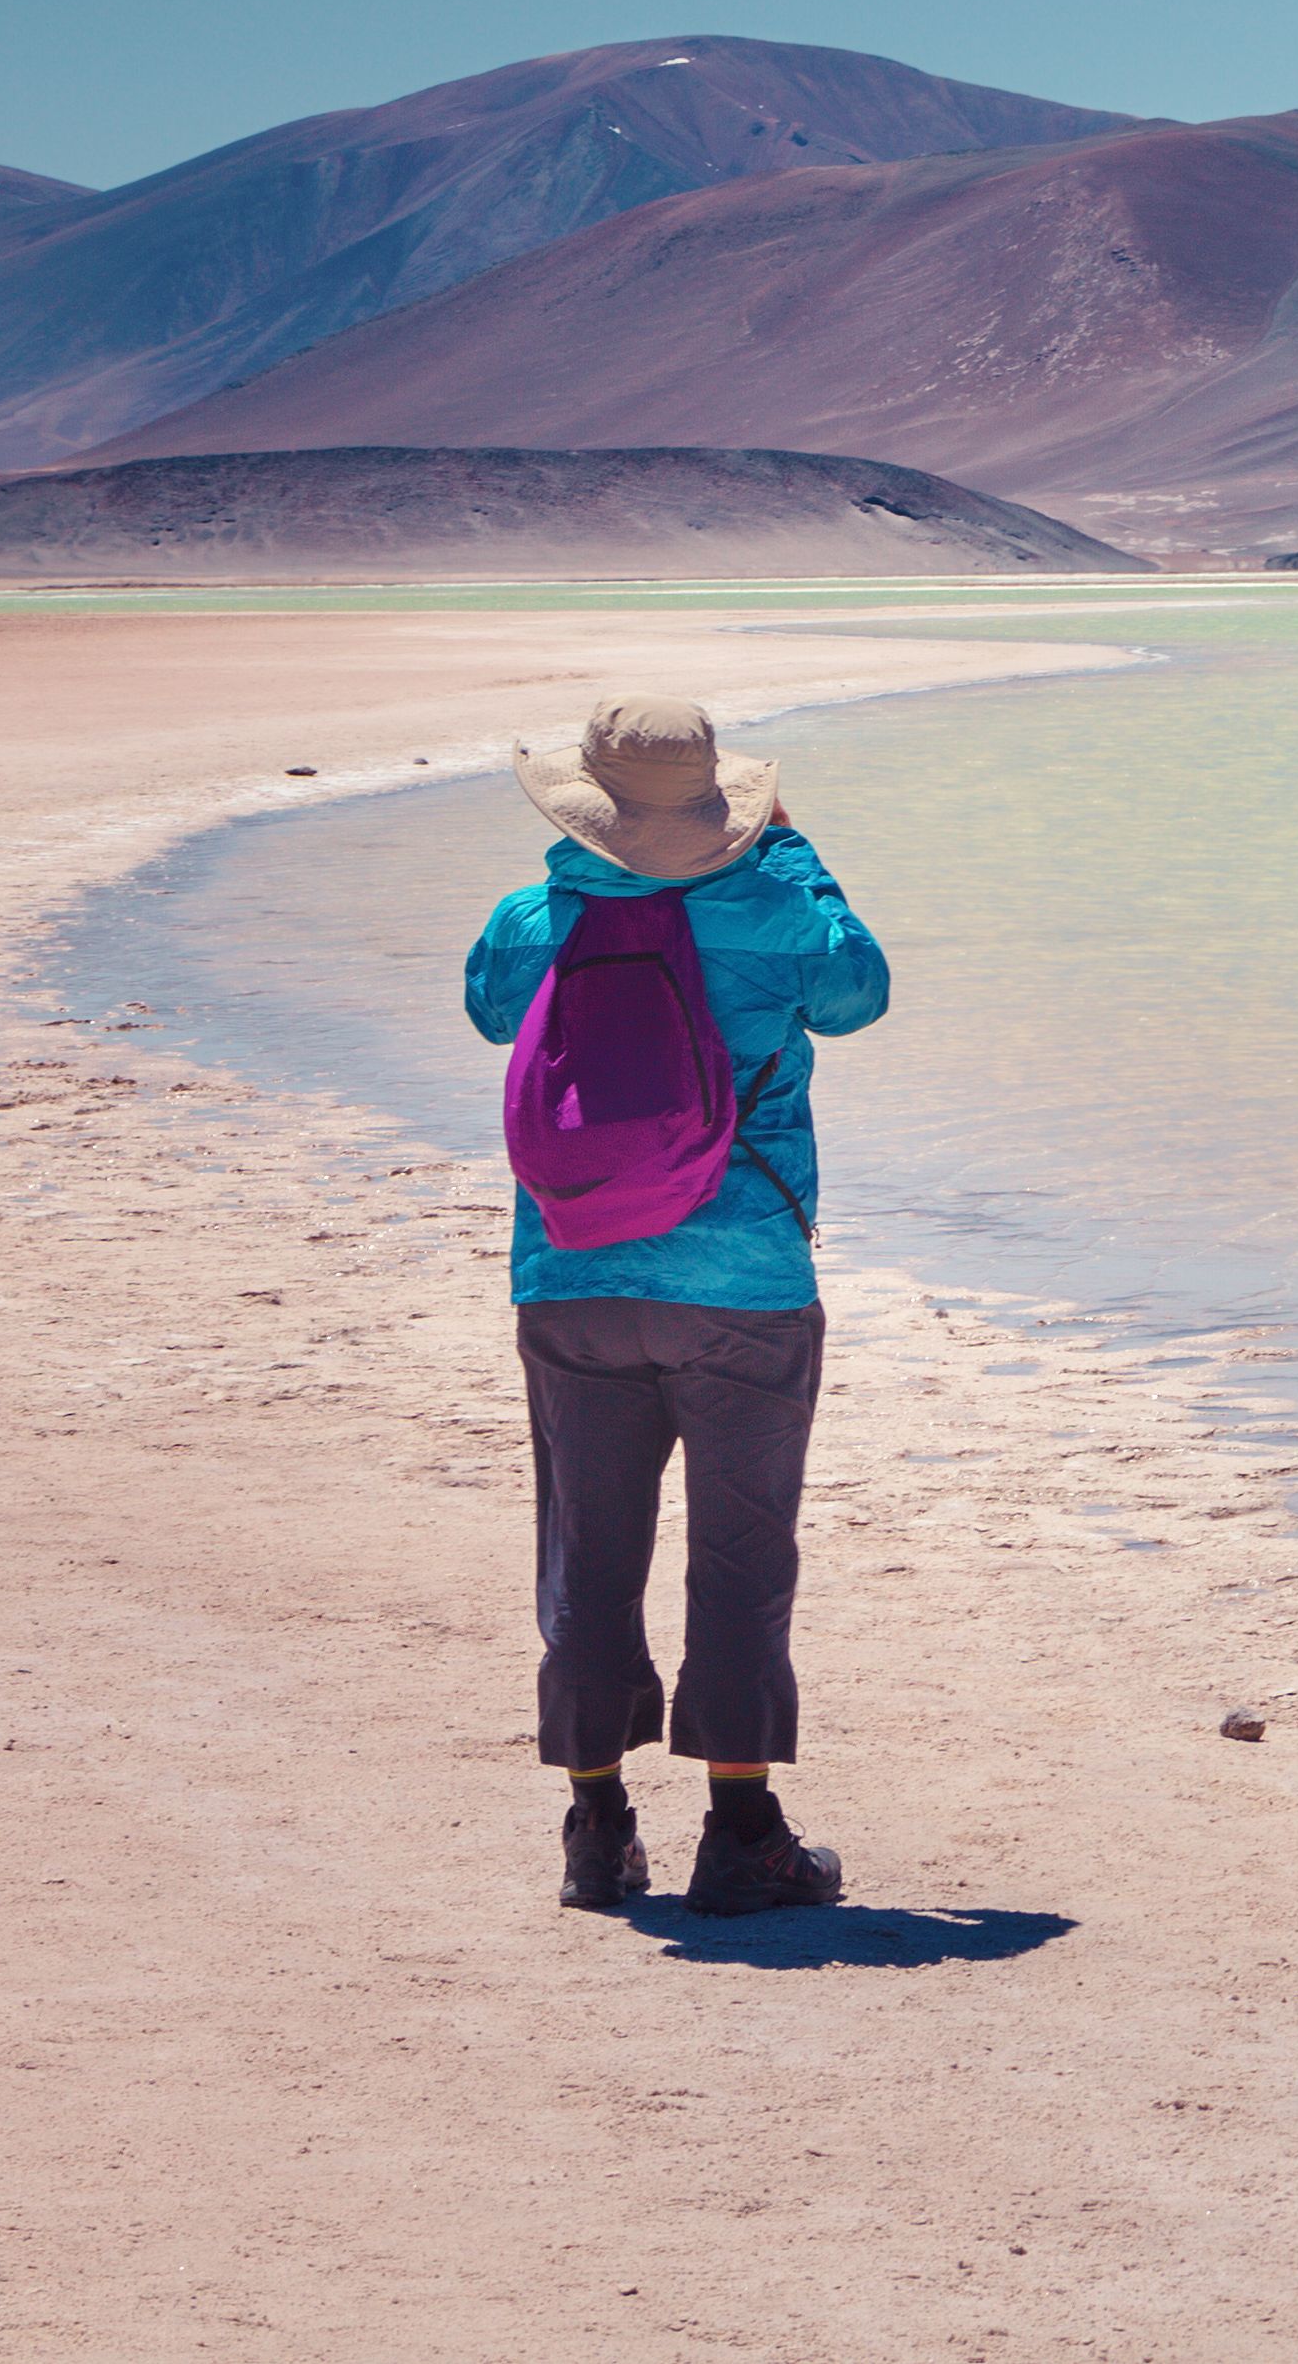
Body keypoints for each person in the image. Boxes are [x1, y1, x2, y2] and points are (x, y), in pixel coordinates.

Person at [466, 694, 887, 1916]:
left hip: (572, 1273)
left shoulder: (533, 916)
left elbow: (492, 1014)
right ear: (720, 806)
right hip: (743, 1282)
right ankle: (742, 1831)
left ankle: (596, 1829)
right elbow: (858, 995)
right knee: (743, 1555)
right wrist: (793, 852)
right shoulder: (768, 905)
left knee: (588, 1550)